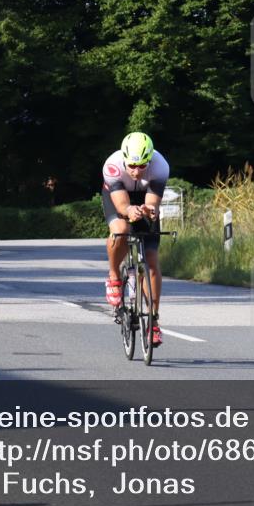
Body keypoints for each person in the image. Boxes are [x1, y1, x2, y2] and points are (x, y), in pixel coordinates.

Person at [102, 132, 169, 347]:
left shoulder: (160, 166)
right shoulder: (112, 165)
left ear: (150, 159)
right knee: (121, 228)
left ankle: (154, 321)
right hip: (118, 197)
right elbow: (122, 206)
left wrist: (149, 211)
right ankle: (114, 276)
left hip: (144, 198)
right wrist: (129, 210)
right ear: (124, 158)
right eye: (131, 165)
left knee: (151, 260)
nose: (136, 170)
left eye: (142, 166)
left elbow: (152, 203)